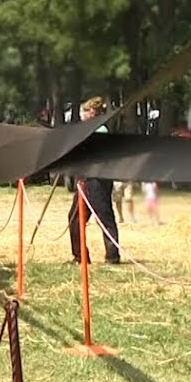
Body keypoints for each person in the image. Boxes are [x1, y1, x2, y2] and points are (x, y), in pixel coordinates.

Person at [67, 97, 122, 264]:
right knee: (75, 218)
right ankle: (80, 256)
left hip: (97, 179)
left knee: (104, 217)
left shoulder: (100, 131)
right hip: (84, 180)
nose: (82, 115)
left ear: (92, 113)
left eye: (85, 111)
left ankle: (112, 256)